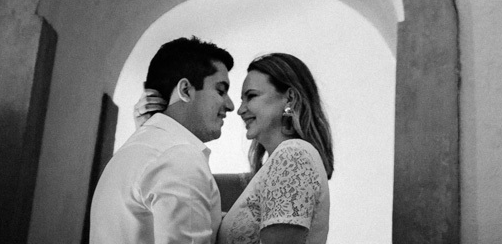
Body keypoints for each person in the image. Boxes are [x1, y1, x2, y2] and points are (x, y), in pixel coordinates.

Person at [89, 36, 236, 244]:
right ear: (185, 90)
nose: (230, 105)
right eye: (220, 91)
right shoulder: (178, 156)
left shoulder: (132, 150)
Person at [216, 53, 334, 244]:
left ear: (290, 98)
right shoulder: (283, 160)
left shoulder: (292, 156)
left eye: (251, 96)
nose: (240, 110)